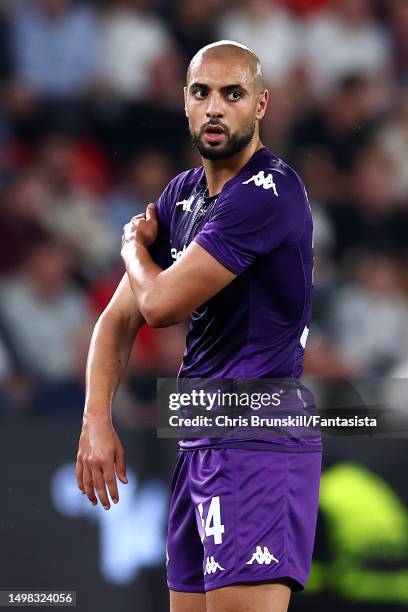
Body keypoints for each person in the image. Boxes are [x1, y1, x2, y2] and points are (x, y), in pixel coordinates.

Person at [76, 41, 322, 612]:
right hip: (201, 438)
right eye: (201, 92)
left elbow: (159, 306)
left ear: (260, 106)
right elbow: (117, 320)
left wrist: (130, 248)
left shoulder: (270, 193)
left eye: (233, 94)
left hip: (258, 435)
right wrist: (95, 420)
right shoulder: (183, 195)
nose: (215, 107)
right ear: (185, 103)